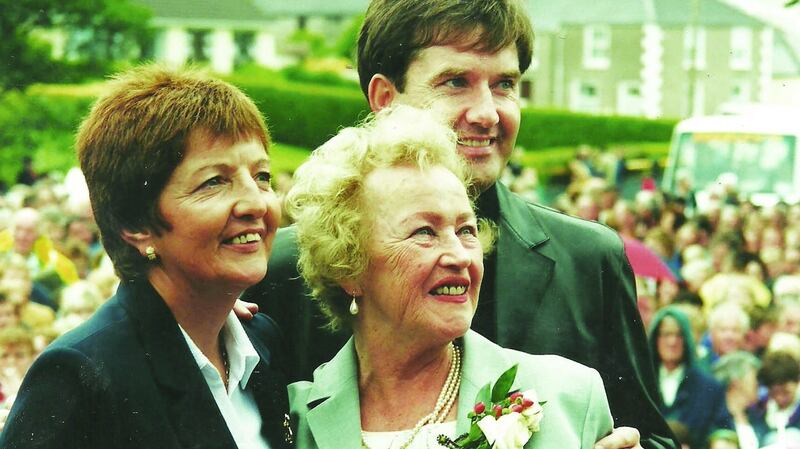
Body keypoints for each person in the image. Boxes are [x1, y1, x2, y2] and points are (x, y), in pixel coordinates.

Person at [241, 1, 675, 448]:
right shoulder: (282, 270)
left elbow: (649, 433)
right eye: (456, 82)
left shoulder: (588, 258)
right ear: (385, 100)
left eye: (505, 84)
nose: (487, 113)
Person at [0, 66, 293, 449]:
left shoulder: (260, 341)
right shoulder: (81, 375)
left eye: (262, 176)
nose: (256, 202)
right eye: (214, 181)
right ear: (136, 224)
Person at [287, 105, 614, 448]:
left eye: (466, 230)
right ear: (348, 268)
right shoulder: (295, 420)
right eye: (424, 232)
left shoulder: (567, 398)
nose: (459, 255)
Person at [648, 307, 734, 449]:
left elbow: (722, 430)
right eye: (666, 334)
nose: (672, 342)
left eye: (679, 335)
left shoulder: (709, 387)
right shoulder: (642, 383)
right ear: (655, 339)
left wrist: (720, 441)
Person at [712, 352, 761, 449]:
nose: (757, 383)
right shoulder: (715, 419)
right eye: (754, 377)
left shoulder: (756, 417)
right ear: (736, 382)